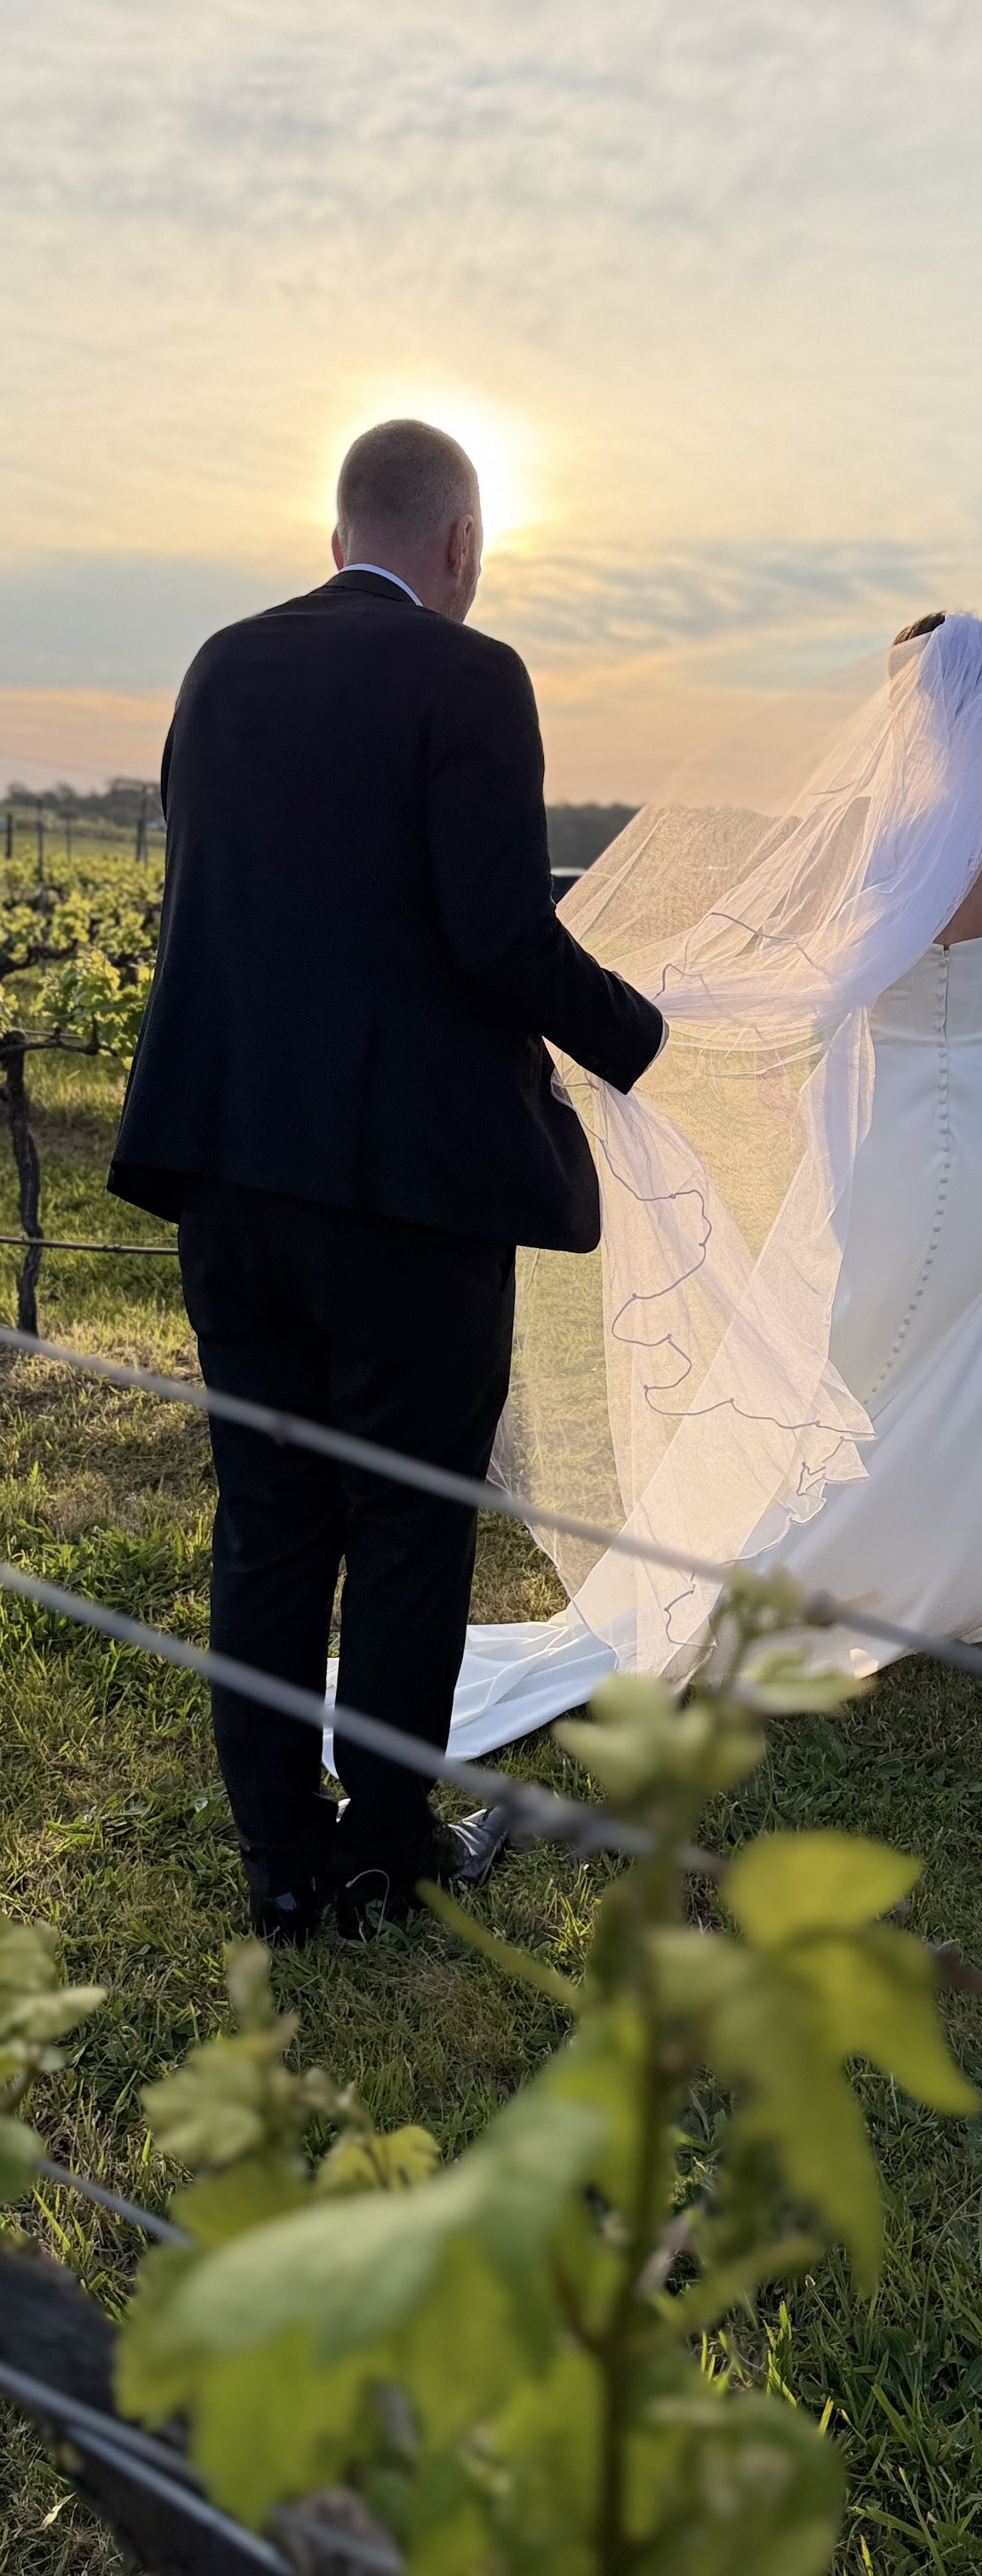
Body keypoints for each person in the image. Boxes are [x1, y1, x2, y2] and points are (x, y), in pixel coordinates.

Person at [444, 608, 982, 1756]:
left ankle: (817, 1565)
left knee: (854, 1335)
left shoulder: (860, 829)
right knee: (977, 1343)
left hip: (887, 1110)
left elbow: (786, 960)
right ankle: (936, 1578)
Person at [110, 419, 665, 1940]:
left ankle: (279, 1861)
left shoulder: (220, 666)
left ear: (334, 529)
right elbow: (497, 931)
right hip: (407, 1195)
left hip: (227, 1171)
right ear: (465, 544)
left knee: (269, 1519)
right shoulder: (469, 677)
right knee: (410, 1523)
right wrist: (639, 1036)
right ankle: (389, 1850)